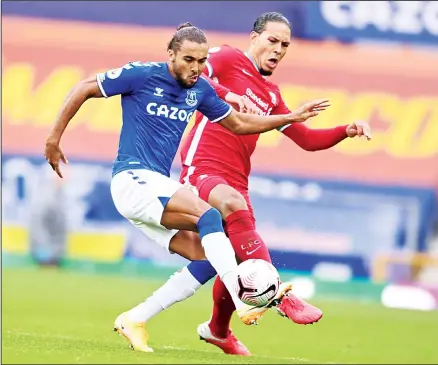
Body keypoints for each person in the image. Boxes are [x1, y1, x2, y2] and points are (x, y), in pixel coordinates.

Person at [43, 22, 330, 353]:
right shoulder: (142, 75)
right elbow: (83, 87)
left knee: (211, 255)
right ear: (171, 55)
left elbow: (238, 123)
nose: (196, 68)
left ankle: (135, 318)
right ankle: (244, 300)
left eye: (201, 61)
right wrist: (53, 139)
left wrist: (288, 118)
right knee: (210, 217)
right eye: (189, 60)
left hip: (155, 188)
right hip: (132, 179)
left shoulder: (200, 90)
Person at [129, 13, 372, 356]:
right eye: (272, 40)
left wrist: (344, 131)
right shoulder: (229, 58)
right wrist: (228, 94)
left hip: (237, 181)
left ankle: (215, 329)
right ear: (254, 37)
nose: (278, 49)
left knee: (227, 259)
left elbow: (306, 139)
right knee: (231, 207)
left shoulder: (271, 94)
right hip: (202, 169)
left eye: (285, 45)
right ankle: (279, 295)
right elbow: (196, 76)